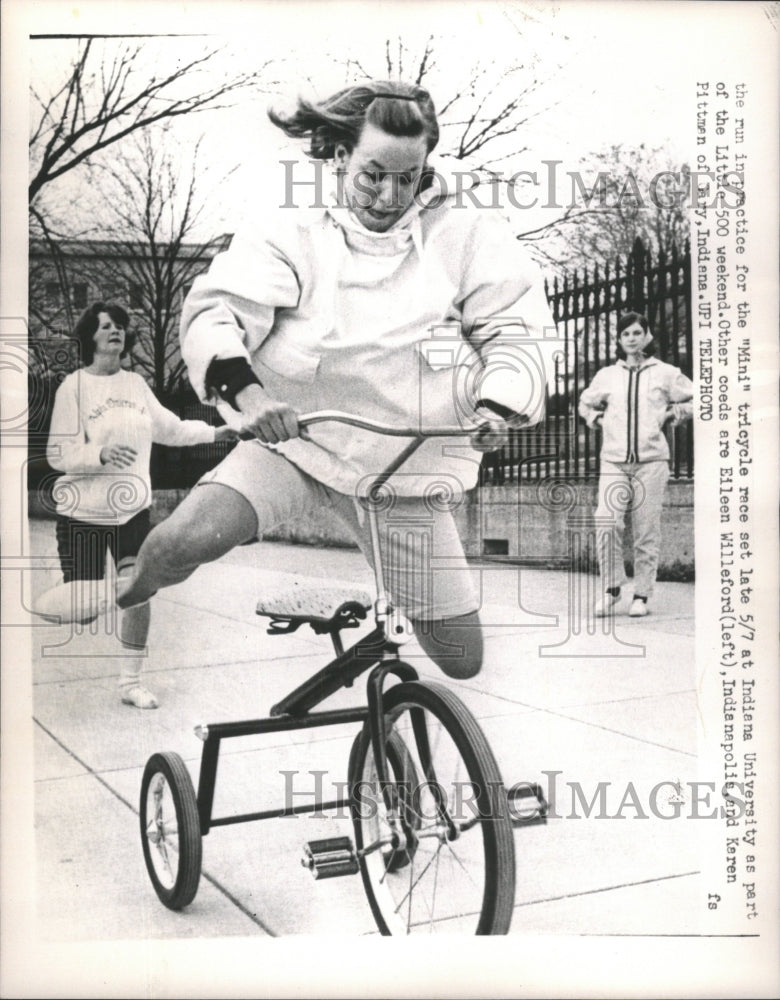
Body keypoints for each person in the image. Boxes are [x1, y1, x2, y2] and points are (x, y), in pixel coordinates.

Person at [116, 80, 562, 679]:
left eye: (408, 178)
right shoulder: (292, 224)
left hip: (404, 467)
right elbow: (218, 313)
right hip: (298, 442)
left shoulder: (467, 230)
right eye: (373, 174)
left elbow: (514, 324)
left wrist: (497, 407)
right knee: (179, 544)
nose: (389, 195)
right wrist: (251, 397)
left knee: (462, 661)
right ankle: (123, 590)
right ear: (340, 155)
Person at [43, 302, 236, 708]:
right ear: (89, 336)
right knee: (83, 612)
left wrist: (219, 432)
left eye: (119, 326)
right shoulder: (72, 387)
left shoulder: (134, 384)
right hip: (83, 515)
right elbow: (57, 454)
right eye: (105, 326)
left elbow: (171, 428)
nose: (115, 331)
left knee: (140, 594)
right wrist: (98, 454)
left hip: (132, 511)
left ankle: (130, 683)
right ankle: (97, 592)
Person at [578, 311, 693, 618]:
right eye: (626, 333)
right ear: (619, 339)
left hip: (652, 462)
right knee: (606, 521)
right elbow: (585, 403)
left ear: (647, 336)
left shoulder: (666, 373)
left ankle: (641, 595)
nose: (631, 338)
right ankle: (612, 589)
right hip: (614, 462)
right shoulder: (607, 376)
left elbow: (698, 398)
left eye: (637, 332)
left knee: (645, 530)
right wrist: (597, 419)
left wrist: (674, 414)